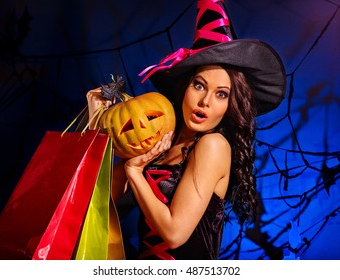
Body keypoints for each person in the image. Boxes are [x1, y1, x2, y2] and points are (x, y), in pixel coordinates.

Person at [86, 0, 286, 260]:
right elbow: (100, 204)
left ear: (230, 105)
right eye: (200, 86)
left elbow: (174, 233)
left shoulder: (213, 145)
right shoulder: (161, 141)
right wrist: (99, 127)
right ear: (185, 87)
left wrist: (134, 172)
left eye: (221, 94)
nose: (205, 102)